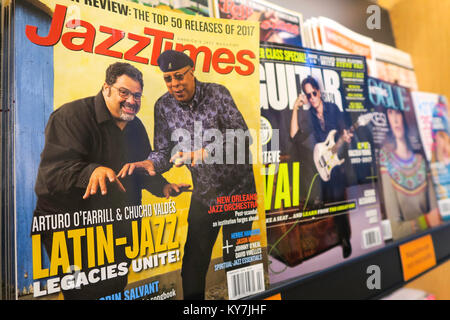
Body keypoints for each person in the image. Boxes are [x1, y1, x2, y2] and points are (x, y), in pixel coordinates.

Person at [32, 62, 188, 300]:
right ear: (106, 88)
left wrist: (163, 186)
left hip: (118, 226)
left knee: (114, 288)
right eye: (123, 92)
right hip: (72, 230)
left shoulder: (135, 126)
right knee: (81, 294)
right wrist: (90, 172)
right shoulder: (70, 116)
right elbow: (51, 175)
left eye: (137, 95)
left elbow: (138, 168)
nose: (131, 100)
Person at [118, 50, 257, 299]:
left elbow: (241, 138)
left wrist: (197, 154)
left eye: (179, 76)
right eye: (168, 79)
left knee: (237, 261)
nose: (175, 85)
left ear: (192, 70)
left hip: (239, 193)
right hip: (204, 195)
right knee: (193, 264)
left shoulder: (217, 93)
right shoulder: (163, 106)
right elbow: (165, 151)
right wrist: (150, 164)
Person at [289, 76, 353, 257]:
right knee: (304, 154)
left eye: (314, 93)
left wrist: (346, 138)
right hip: (321, 165)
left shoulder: (333, 110)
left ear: (320, 91)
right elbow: (294, 135)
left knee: (336, 193)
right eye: (308, 95)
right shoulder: (309, 116)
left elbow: (344, 132)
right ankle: (318, 206)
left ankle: (344, 238)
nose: (312, 98)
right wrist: (295, 108)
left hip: (337, 162)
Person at [379, 107, 441, 240]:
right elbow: (396, 231)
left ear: (403, 116)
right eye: (390, 113)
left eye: (398, 113)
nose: (395, 119)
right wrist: (426, 221)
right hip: (408, 250)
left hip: (433, 241)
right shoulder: (385, 158)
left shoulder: (421, 160)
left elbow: (437, 216)